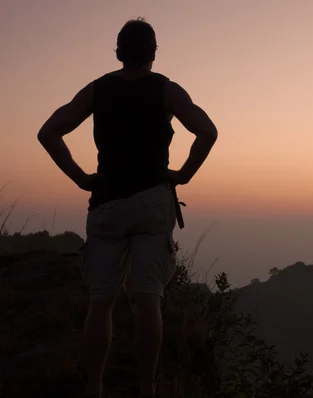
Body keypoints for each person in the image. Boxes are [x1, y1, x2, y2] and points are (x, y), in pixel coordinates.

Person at [37, 18, 218, 397]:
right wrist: (183, 173)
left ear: (119, 52)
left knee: (100, 302)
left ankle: (96, 388)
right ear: (153, 53)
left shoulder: (97, 90)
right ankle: (145, 388)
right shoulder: (166, 90)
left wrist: (81, 178)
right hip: (153, 201)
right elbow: (207, 131)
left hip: (108, 203)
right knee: (148, 298)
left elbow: (49, 131)